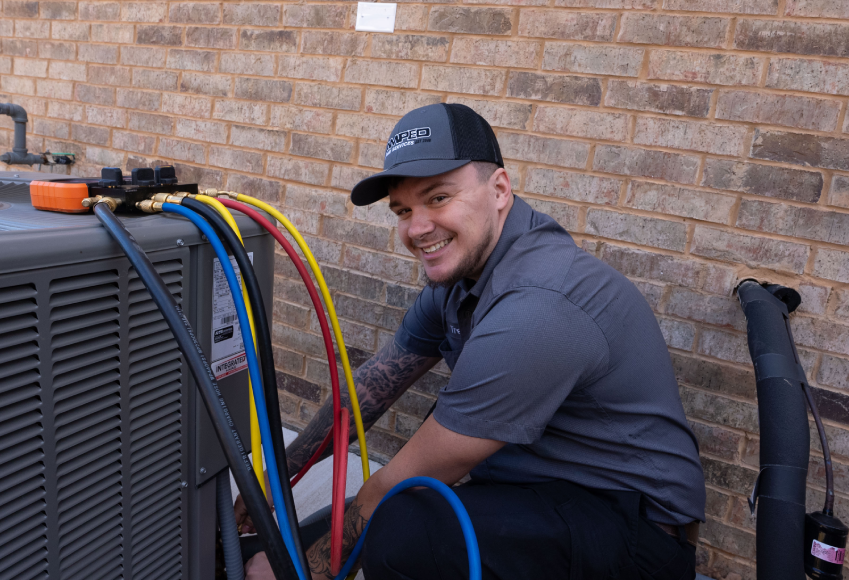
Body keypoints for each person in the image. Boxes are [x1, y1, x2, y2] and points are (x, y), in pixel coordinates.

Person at [240, 103, 706, 580]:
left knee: (402, 531)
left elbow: (399, 483)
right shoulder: (460, 280)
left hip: (633, 535)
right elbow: (365, 395)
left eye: (438, 198)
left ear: (499, 189)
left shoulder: (538, 304)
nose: (417, 228)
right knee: (362, 516)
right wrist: (272, 485)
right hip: (543, 493)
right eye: (403, 210)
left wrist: (300, 572)